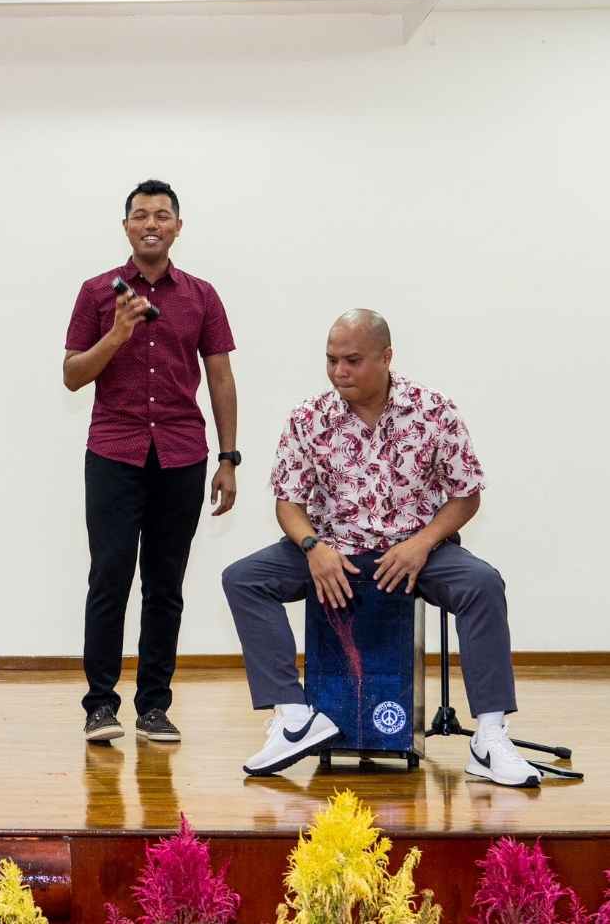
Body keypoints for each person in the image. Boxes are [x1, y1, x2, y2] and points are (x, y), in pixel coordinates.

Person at [223, 309, 539, 787]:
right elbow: (288, 504)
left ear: (387, 357)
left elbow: (466, 493)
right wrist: (312, 545)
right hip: (334, 549)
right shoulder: (308, 417)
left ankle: (489, 739)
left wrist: (423, 543)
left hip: (416, 550)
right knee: (243, 577)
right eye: (330, 360)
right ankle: (294, 719)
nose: (339, 372)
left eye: (352, 360)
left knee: (482, 584)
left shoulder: (434, 411)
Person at [63, 179, 240, 745]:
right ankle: (100, 705)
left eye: (162, 215)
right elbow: (71, 375)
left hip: (183, 454)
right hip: (114, 451)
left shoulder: (202, 296)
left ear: (178, 228)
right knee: (109, 579)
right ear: (126, 227)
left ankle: (154, 707)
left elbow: (220, 378)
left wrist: (229, 458)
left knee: (165, 585)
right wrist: (116, 333)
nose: (151, 224)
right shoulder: (97, 292)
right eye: (140, 215)